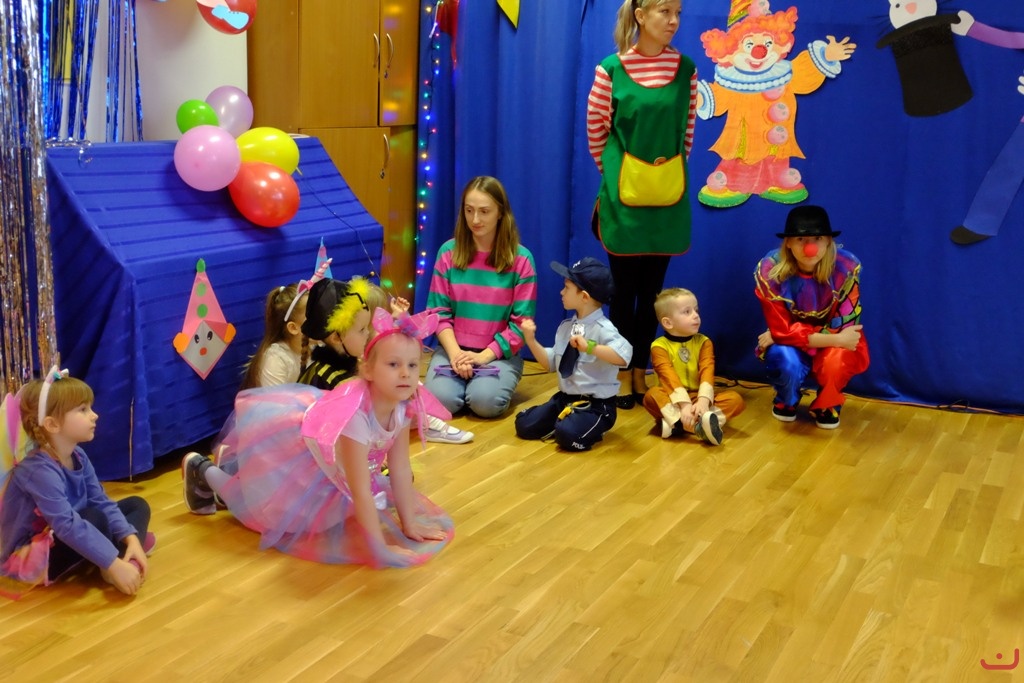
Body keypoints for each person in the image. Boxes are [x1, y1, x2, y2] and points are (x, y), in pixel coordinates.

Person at [182, 310, 454, 568]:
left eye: (412, 365)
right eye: (394, 364)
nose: (406, 373)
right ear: (368, 370)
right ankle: (203, 471)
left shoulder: (402, 406)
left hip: (337, 464)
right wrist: (380, 548)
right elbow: (359, 487)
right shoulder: (356, 416)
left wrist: (409, 523)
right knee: (272, 516)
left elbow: (400, 467)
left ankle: (238, 467)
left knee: (341, 512)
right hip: (300, 449)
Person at [587, 0, 698, 410]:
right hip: (624, 200)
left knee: (653, 292)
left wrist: (663, 176)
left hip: (667, 196)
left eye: (677, 12)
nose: (673, 21)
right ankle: (619, 371)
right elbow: (596, 133)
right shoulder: (610, 70)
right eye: (664, 11)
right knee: (624, 291)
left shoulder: (686, 70)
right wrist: (622, 177)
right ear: (640, 15)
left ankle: (640, 371)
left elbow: (687, 131)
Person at [0, 369, 153, 598]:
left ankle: (126, 554)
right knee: (93, 518)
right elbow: (66, 524)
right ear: (52, 424)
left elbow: (101, 500)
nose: (94, 415)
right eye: (83, 410)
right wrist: (112, 562)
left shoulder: (78, 455)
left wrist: (131, 539)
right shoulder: (38, 469)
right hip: (32, 556)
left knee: (137, 505)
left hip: (70, 530)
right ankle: (115, 562)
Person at [424, 176, 537, 418]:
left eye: (484, 211)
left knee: (485, 403)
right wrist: (456, 355)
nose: (475, 220)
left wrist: (483, 357)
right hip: (453, 350)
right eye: (469, 210)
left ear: (500, 213)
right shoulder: (448, 253)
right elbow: (438, 313)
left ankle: (481, 386)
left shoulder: (522, 260)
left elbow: (520, 325)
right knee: (440, 402)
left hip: (497, 355)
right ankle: (462, 383)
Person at [754, 205, 869, 429]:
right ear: (788, 242)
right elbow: (782, 331)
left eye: (817, 238)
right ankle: (786, 399)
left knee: (839, 357)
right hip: (809, 341)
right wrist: (783, 336)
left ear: (828, 241)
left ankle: (828, 403)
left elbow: (846, 330)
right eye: (800, 239)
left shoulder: (845, 270)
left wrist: (783, 335)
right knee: (783, 357)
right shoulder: (770, 272)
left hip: (829, 342)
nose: (810, 248)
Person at [515, 258, 632, 451]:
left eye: (567, 288)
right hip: (565, 399)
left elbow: (624, 356)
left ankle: (582, 427)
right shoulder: (566, 327)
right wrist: (531, 340)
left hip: (595, 406)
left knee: (567, 435)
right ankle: (565, 421)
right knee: (524, 424)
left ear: (584, 297)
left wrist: (590, 347)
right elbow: (550, 363)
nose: (561, 292)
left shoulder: (604, 329)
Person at [366, 282, 474, 445]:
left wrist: (400, 317)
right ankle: (425, 423)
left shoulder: (381, 334)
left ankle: (426, 423)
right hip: (373, 397)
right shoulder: (358, 340)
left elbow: (404, 343)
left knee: (411, 385)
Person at [642, 288, 745, 445]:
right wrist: (684, 405)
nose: (696, 315)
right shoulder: (659, 346)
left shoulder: (704, 342)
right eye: (687, 312)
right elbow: (668, 377)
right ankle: (700, 426)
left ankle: (677, 424)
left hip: (698, 398)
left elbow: (707, 371)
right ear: (668, 323)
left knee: (735, 400)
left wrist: (703, 401)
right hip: (671, 399)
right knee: (651, 396)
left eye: (696, 310)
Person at [297, 277, 373, 389]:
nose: (368, 333)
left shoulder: (353, 361)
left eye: (367, 327)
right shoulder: (332, 379)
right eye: (362, 329)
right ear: (336, 338)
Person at [238, 283, 308, 390]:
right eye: (313, 317)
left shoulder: (317, 346)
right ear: (293, 328)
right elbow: (275, 400)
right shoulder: (275, 359)